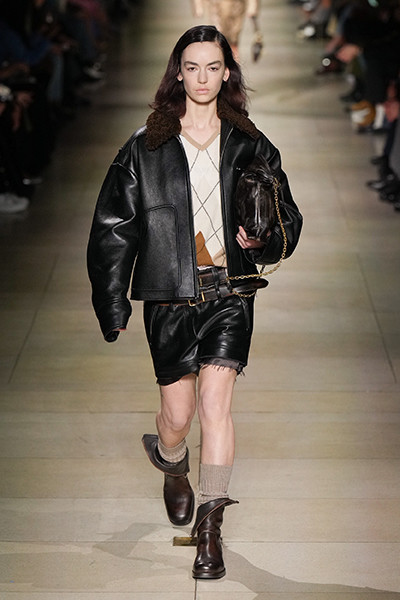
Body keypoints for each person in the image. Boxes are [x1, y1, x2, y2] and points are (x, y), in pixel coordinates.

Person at [87, 24, 301, 580]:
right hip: (168, 297)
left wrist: (262, 240)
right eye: (192, 67)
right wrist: (113, 302)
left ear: (226, 73)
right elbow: (114, 229)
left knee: (215, 408)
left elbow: (288, 218)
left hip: (230, 292)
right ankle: (170, 458)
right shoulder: (146, 146)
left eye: (212, 67)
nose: (202, 78)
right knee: (178, 418)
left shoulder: (251, 143)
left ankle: (210, 530)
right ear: (177, 74)